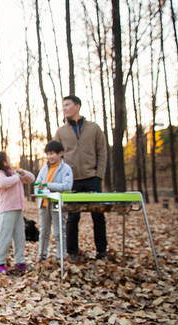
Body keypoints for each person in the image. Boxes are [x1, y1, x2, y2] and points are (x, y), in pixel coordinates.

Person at [54, 94, 108, 262]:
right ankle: (72, 252)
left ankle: (101, 250)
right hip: (72, 180)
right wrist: (61, 178)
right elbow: (56, 157)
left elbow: (102, 152)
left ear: (77, 106)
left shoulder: (94, 128)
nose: (64, 108)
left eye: (67, 105)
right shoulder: (61, 132)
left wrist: (99, 175)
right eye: (63, 106)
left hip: (92, 177)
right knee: (72, 217)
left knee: (98, 216)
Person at [0, 151, 35, 274]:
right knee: (5, 237)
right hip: (7, 210)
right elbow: (3, 183)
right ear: (3, 161)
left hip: (18, 209)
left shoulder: (15, 173)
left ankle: (20, 262)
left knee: (20, 237)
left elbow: (31, 179)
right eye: (7, 158)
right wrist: (16, 177)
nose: (9, 160)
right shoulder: (1, 173)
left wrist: (23, 172)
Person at [34, 140, 73, 262]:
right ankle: (42, 255)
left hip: (57, 204)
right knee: (44, 232)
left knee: (58, 231)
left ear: (60, 153)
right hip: (44, 204)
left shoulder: (65, 169)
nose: (49, 156)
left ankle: (61, 255)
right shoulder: (44, 169)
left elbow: (66, 186)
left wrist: (48, 185)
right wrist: (39, 190)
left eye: (52, 153)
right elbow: (37, 185)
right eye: (48, 154)